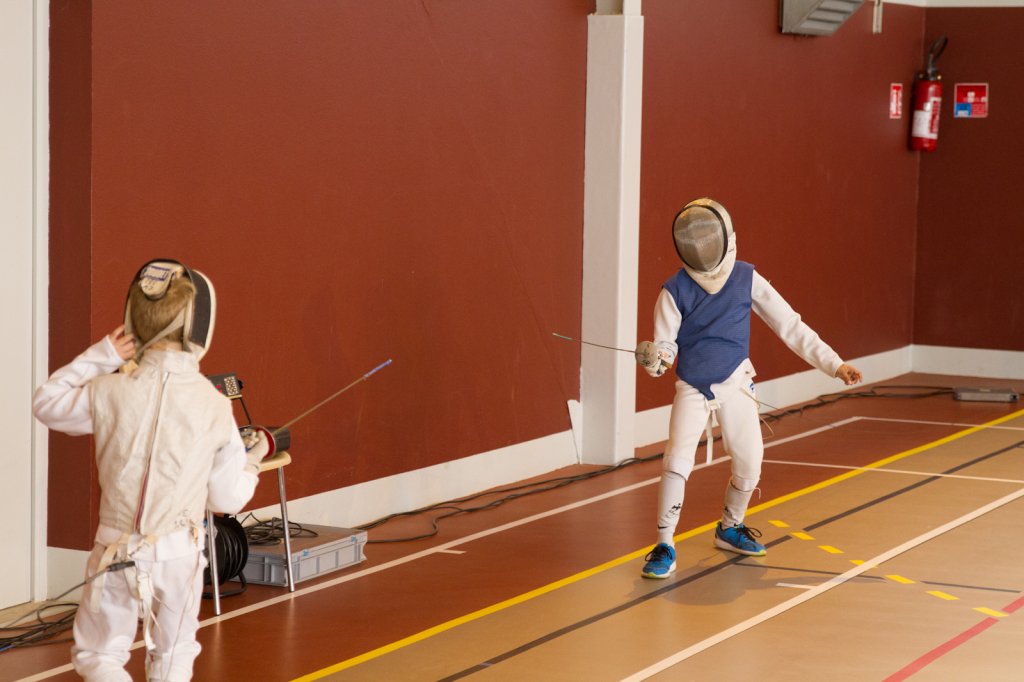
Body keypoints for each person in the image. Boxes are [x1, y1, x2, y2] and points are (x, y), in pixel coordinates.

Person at [33, 260, 265, 681]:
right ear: (198, 325)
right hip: (179, 554)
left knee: (100, 657)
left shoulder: (109, 389)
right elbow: (226, 498)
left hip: (114, 550)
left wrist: (103, 355)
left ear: (134, 319)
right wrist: (251, 462)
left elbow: (47, 403)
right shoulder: (213, 404)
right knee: (173, 654)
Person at [635, 199, 862, 579]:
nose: (702, 247)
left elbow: (790, 325)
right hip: (692, 386)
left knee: (750, 463)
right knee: (677, 462)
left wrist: (834, 364)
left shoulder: (747, 278)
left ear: (725, 237)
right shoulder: (673, 290)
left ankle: (730, 527)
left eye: (708, 239)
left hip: (736, 382)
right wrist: (656, 359)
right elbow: (666, 349)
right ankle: (664, 544)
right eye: (695, 241)